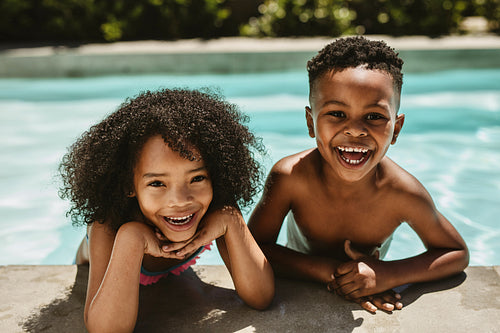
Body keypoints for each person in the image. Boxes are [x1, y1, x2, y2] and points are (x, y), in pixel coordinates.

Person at [248, 36, 469, 313]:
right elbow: (252, 249)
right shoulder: (291, 178)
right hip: (306, 277)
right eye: (337, 113)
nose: (355, 130)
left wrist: (388, 274)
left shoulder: (401, 192)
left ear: (396, 129)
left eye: (374, 116)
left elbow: (456, 253)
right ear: (310, 122)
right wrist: (330, 272)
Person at [59, 88, 274, 332]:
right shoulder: (107, 226)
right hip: (94, 258)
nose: (180, 200)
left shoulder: (217, 210)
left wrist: (232, 221)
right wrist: (131, 238)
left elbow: (261, 297)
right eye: (157, 183)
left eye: (197, 178)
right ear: (128, 185)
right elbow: (106, 329)